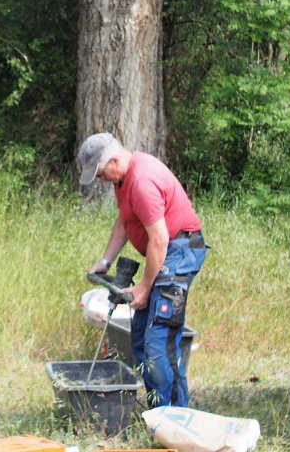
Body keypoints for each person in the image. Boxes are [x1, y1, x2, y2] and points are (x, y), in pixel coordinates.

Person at [78, 132, 207, 408]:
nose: (101, 180)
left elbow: (159, 239)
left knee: (159, 340)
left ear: (113, 160)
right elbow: (125, 222)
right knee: (139, 337)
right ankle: (156, 409)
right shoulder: (122, 179)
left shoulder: (141, 180)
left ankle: (175, 418)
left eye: (100, 174)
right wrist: (105, 262)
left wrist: (145, 287)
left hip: (179, 251)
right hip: (164, 251)